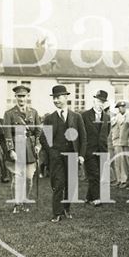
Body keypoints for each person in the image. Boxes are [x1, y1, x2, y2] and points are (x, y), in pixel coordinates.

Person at [40, 85, 87, 222]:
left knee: (70, 184)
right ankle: (57, 213)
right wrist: (52, 151)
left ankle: (66, 208)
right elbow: (43, 137)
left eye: (58, 97)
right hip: (56, 157)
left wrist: (81, 155)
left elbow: (83, 138)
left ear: (66, 98)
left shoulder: (76, 117)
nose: (56, 101)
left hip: (72, 155)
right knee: (58, 183)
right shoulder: (50, 118)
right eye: (54, 98)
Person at [2, 85, 42, 213]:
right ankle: (17, 204)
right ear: (15, 97)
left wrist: (37, 145)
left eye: (23, 96)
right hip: (17, 148)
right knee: (17, 177)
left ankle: (25, 201)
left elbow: (38, 132)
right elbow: (7, 133)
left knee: (29, 177)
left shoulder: (33, 112)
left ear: (27, 97)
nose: (21, 99)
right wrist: (11, 150)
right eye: (19, 96)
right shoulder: (9, 114)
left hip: (30, 149)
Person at [81, 90, 110, 206]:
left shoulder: (107, 117)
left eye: (103, 102)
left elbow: (106, 132)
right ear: (94, 101)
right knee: (94, 174)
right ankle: (96, 198)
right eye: (99, 101)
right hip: (89, 150)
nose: (100, 104)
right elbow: (82, 134)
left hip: (102, 150)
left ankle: (89, 197)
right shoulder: (85, 115)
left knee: (97, 174)